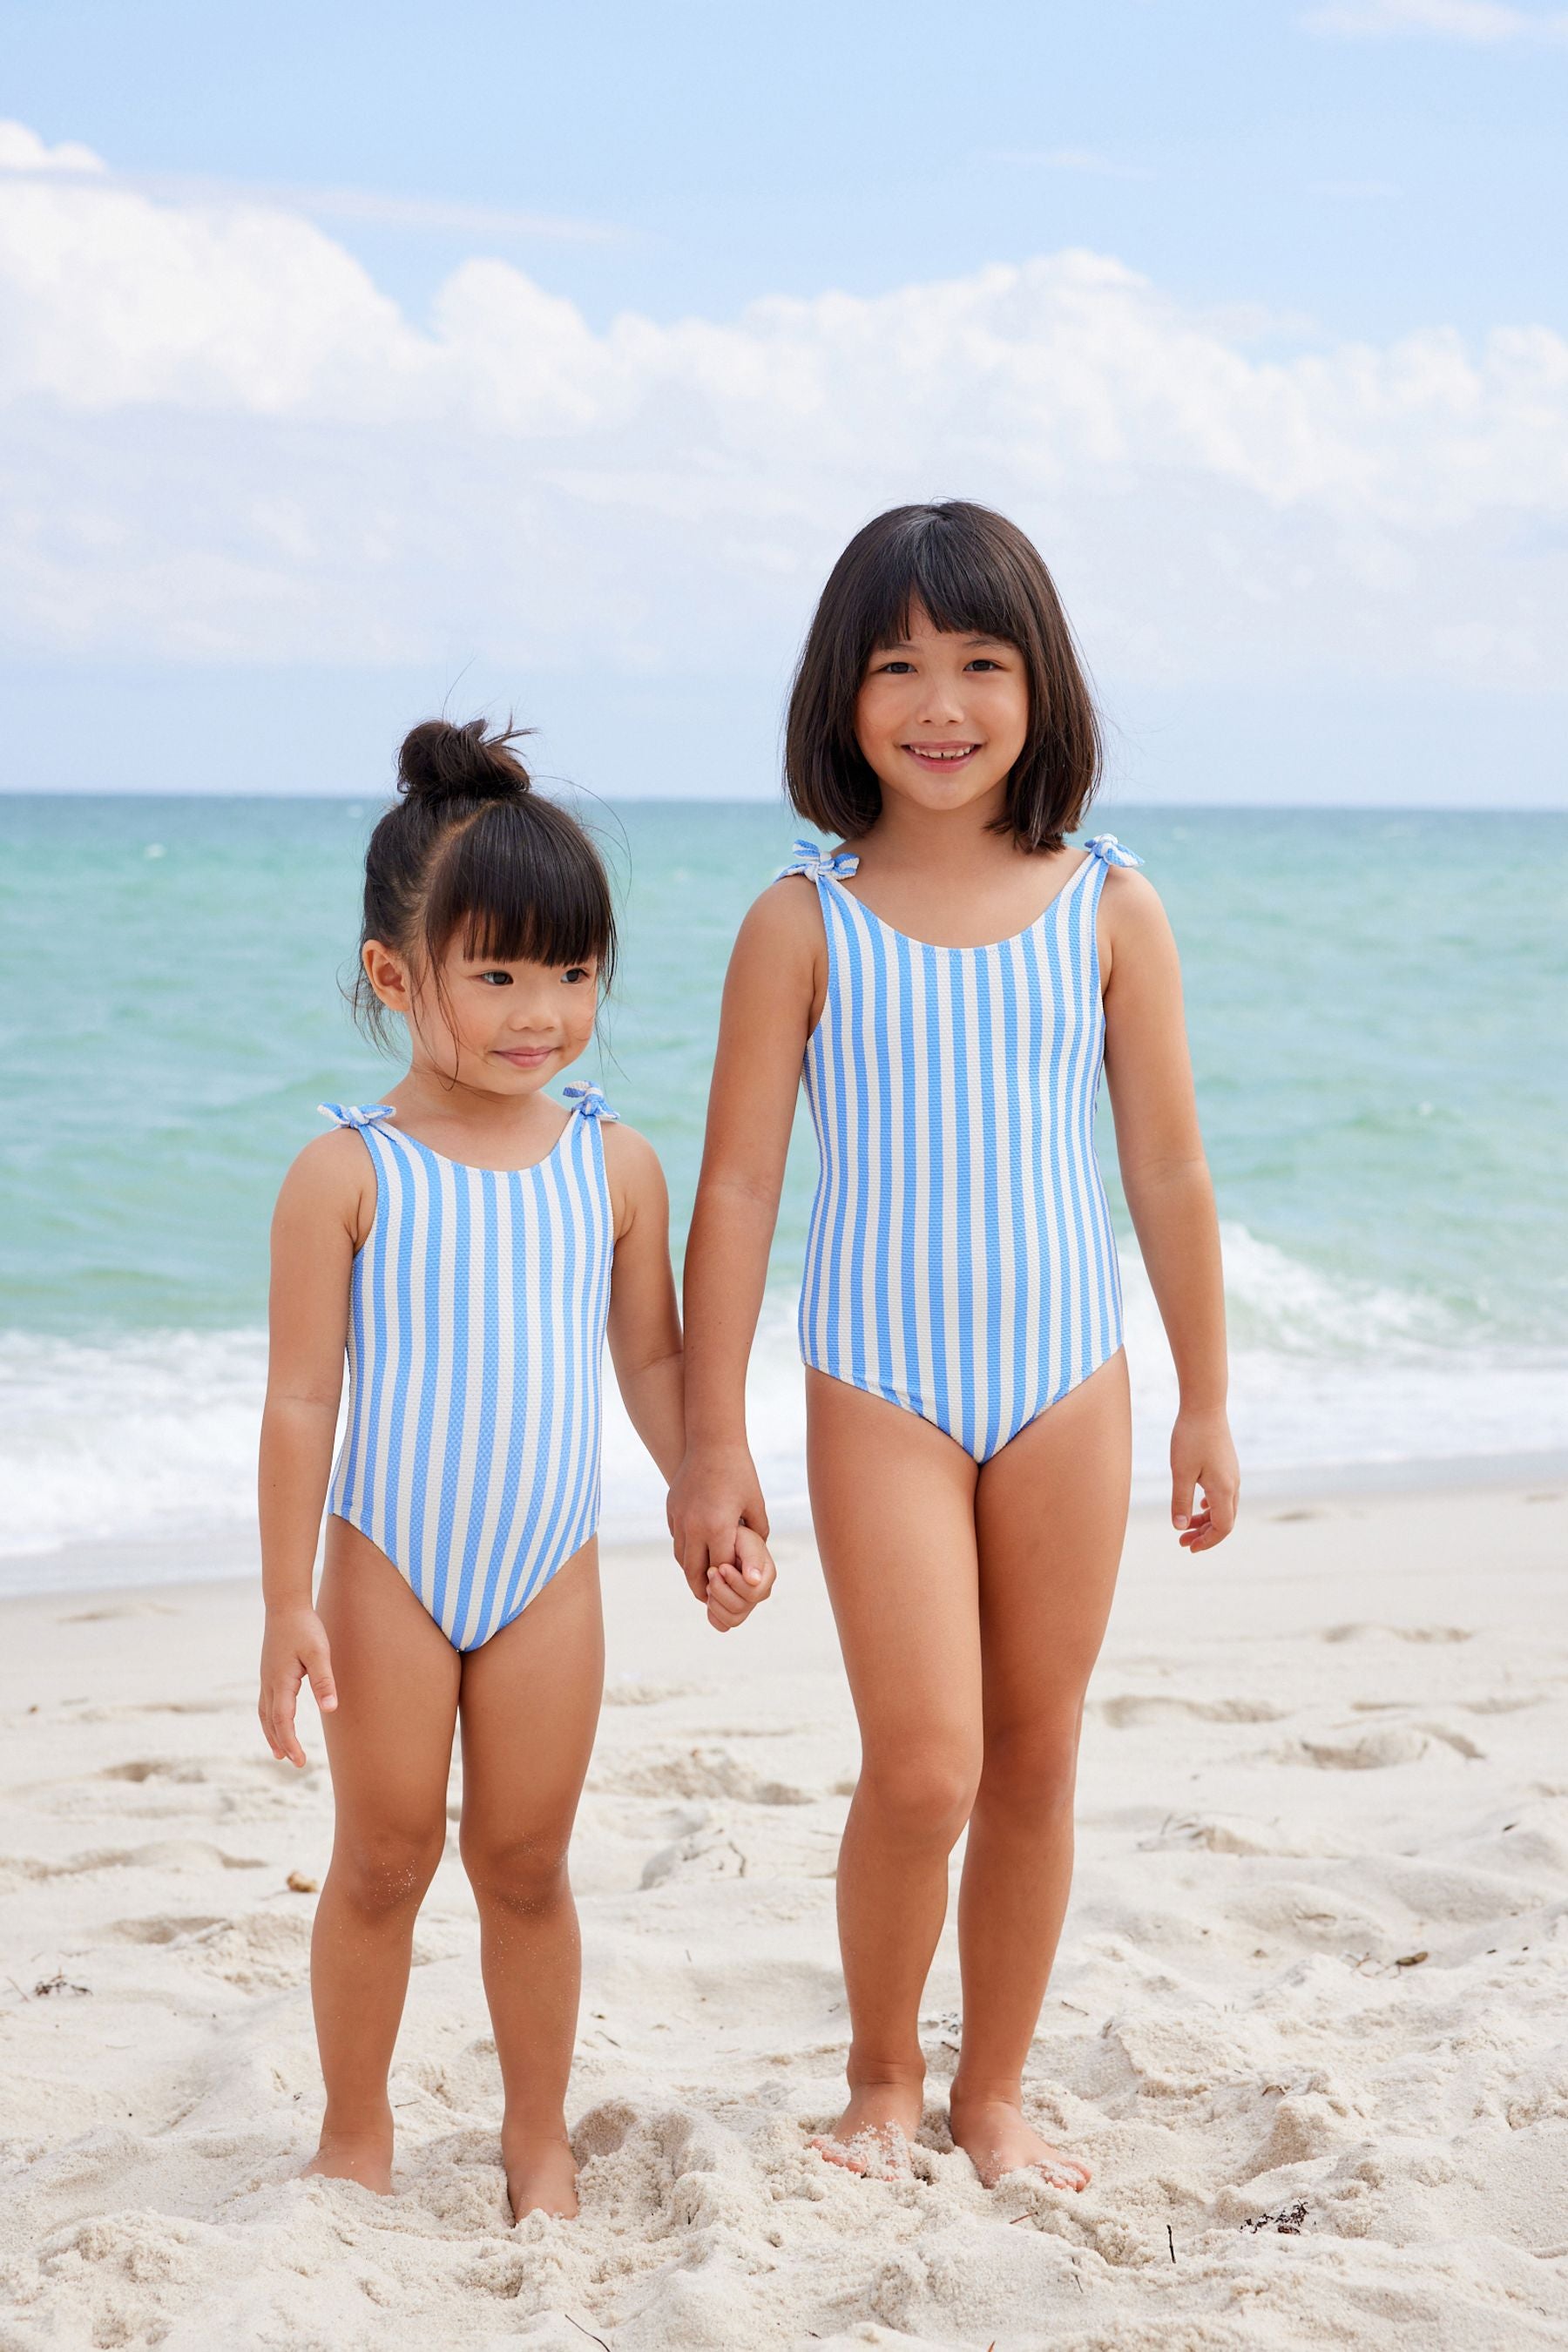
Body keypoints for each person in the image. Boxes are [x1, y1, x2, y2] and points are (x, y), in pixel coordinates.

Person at [670, 502, 1238, 2191]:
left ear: (1037, 685)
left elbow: (1167, 1169)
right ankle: (880, 2076)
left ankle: (994, 2090)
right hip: (880, 1390)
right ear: (839, 698)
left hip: (1073, 1376)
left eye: (980, 663)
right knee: (925, 1764)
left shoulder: (1112, 906)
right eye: (898, 665)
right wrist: (714, 1440)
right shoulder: (802, 921)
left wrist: (1207, 1398)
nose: (941, 703)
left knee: (1039, 1754)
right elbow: (740, 1191)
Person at [257, 718, 774, 2221]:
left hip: (548, 1566)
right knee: (382, 1856)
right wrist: (288, 1599)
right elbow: (302, 1404)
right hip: (386, 1566)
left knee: (530, 1861)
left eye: (573, 973)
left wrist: (706, 1491)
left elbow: (656, 1365)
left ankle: (536, 2135)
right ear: (395, 978)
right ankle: (355, 2129)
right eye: (496, 975)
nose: (541, 1011)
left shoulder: (612, 1165)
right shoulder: (346, 1173)